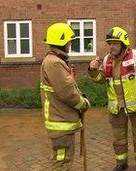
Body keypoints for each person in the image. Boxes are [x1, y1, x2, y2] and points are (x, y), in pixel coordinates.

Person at [88, 27, 136, 171]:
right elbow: (100, 79)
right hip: (116, 108)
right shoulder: (107, 60)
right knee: (118, 139)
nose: (111, 46)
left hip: (135, 107)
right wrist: (93, 70)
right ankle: (121, 163)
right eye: (110, 43)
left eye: (115, 43)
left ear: (123, 44)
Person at [40, 23, 91, 170]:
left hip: (60, 122)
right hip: (61, 122)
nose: (70, 44)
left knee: (62, 160)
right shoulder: (54, 63)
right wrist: (84, 103)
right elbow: (68, 92)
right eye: (69, 41)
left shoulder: (53, 60)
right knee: (62, 162)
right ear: (62, 41)